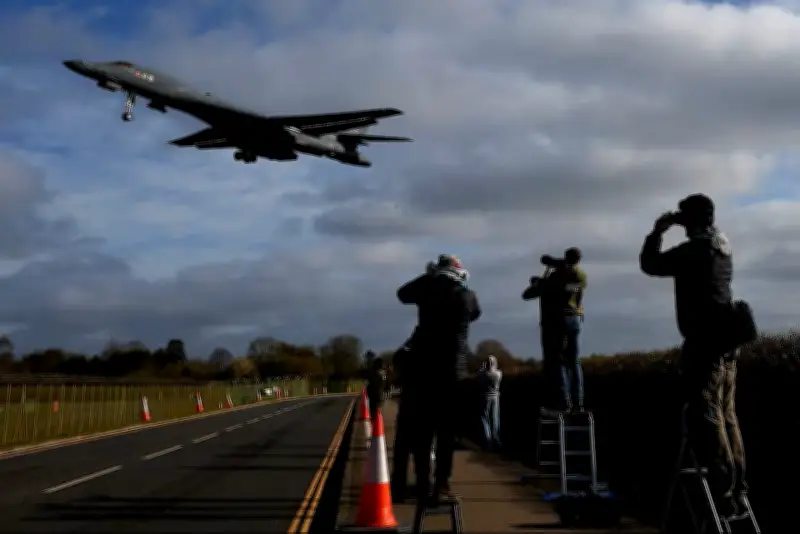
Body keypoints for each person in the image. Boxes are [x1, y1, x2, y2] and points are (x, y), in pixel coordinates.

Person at [639, 193, 748, 520]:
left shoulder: (694, 251)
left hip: (705, 341)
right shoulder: (721, 246)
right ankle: (739, 489)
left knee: (709, 415)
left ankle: (724, 490)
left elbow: (651, 265)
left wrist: (657, 232)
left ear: (691, 221)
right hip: (728, 340)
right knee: (728, 415)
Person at [397, 254, 481, 504]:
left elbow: (403, 293)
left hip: (423, 370)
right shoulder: (466, 294)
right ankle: (442, 484)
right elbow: (475, 313)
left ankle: (423, 483)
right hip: (452, 371)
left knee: (422, 433)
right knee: (447, 433)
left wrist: (429, 275)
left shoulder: (426, 287)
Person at [523, 249, 587, 412]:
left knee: (557, 361)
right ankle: (577, 401)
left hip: (557, 320)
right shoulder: (581, 276)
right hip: (575, 318)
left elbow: (528, 294)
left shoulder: (555, 279)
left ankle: (563, 402)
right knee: (574, 361)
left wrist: (540, 283)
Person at [479, 355, 502, 451]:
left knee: (485, 418)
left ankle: (488, 440)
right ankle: (496, 439)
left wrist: (483, 367)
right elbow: (496, 370)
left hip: (486, 397)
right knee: (495, 418)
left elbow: (479, 375)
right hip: (495, 397)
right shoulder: (499, 373)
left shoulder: (483, 374)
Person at [366, 356, 385, 421]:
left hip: (374, 394)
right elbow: (384, 383)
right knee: (377, 409)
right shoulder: (382, 372)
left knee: (373, 409)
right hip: (378, 394)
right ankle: (376, 420)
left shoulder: (374, 372)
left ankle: (374, 421)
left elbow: (370, 381)